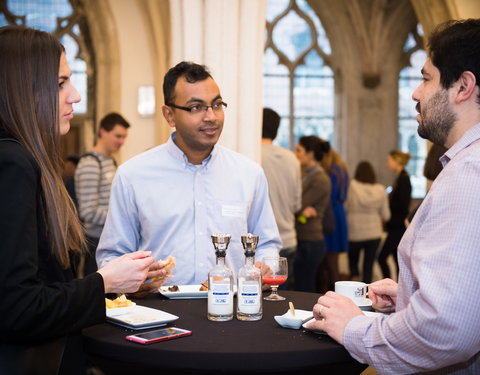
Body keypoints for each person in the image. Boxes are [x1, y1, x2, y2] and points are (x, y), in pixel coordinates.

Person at [308, 19, 480, 374]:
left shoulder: (468, 174)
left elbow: (446, 330)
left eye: (426, 78)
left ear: (463, 86)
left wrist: (354, 327)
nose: (415, 93)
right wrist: (409, 298)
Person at [0, 26, 162, 375]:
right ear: (22, 88)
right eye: (60, 83)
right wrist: (105, 282)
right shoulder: (13, 163)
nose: (74, 96)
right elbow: (18, 308)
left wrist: (118, 281)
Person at [96, 61, 281, 296]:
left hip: (234, 311)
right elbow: (111, 257)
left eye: (217, 104)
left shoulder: (248, 173)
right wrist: (134, 280)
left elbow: (267, 245)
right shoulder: (133, 175)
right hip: (157, 313)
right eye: (196, 107)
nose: (211, 116)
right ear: (170, 115)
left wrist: (265, 266)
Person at [74, 112, 130, 274]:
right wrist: (120, 219)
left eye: (124, 137)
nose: (121, 142)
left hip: (111, 239)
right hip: (95, 243)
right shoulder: (90, 163)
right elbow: (87, 211)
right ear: (102, 132)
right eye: (118, 136)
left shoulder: (111, 161)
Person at [261, 107, 302, 290]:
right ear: (277, 132)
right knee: (282, 301)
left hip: (260, 245)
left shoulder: (249, 156)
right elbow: (296, 203)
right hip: (288, 237)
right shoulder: (292, 158)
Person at [294, 136, 331, 292]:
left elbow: (298, 204)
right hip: (304, 237)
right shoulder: (307, 174)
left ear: (310, 154)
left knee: (305, 286)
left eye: (299, 150)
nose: (296, 154)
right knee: (301, 283)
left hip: (311, 240)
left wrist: (299, 209)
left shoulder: (320, 178)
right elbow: (300, 207)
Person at [345, 161, 390, 284]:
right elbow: (386, 215)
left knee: (353, 262)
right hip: (374, 233)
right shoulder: (381, 190)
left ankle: (353, 287)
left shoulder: (352, 187)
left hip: (355, 231)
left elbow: (346, 207)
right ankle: (367, 293)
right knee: (368, 265)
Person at [318, 140, 349, 292]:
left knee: (329, 262)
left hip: (330, 215)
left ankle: (333, 294)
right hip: (339, 213)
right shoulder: (342, 168)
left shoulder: (331, 171)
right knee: (332, 260)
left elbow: (327, 196)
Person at [377, 149, 411, 279]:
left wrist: (388, 201)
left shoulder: (404, 179)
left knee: (382, 258)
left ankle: (390, 284)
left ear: (396, 161)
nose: (387, 163)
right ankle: (397, 287)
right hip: (395, 226)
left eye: (389, 160)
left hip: (398, 227)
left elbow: (403, 204)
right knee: (396, 260)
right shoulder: (400, 177)